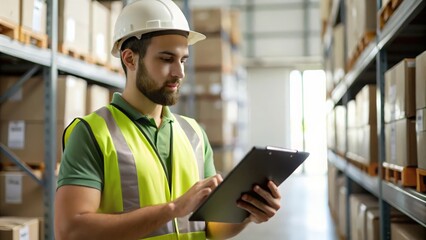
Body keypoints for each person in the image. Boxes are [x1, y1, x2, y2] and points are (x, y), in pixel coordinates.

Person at [54, 0, 281, 239]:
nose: (179, 73)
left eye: (183, 60)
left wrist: (248, 213)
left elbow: (211, 228)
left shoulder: (194, 133)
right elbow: (71, 230)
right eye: (166, 59)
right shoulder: (92, 133)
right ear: (130, 59)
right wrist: (173, 209)